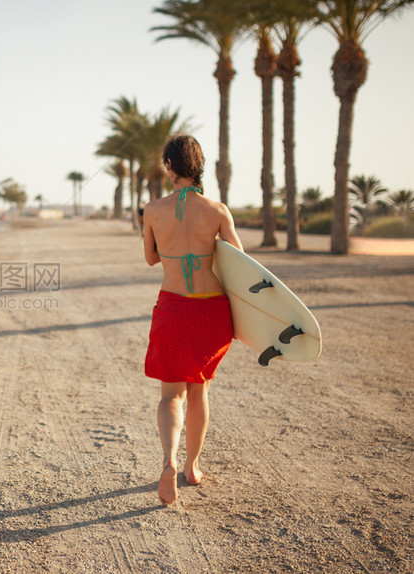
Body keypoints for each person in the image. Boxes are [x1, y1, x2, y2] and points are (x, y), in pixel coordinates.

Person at [142, 134, 243, 505]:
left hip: (172, 307)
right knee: (199, 390)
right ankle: (191, 466)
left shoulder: (153, 210)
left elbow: (151, 258)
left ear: (169, 166)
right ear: (199, 165)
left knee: (170, 395)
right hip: (210, 308)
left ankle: (167, 460)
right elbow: (240, 263)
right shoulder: (217, 211)